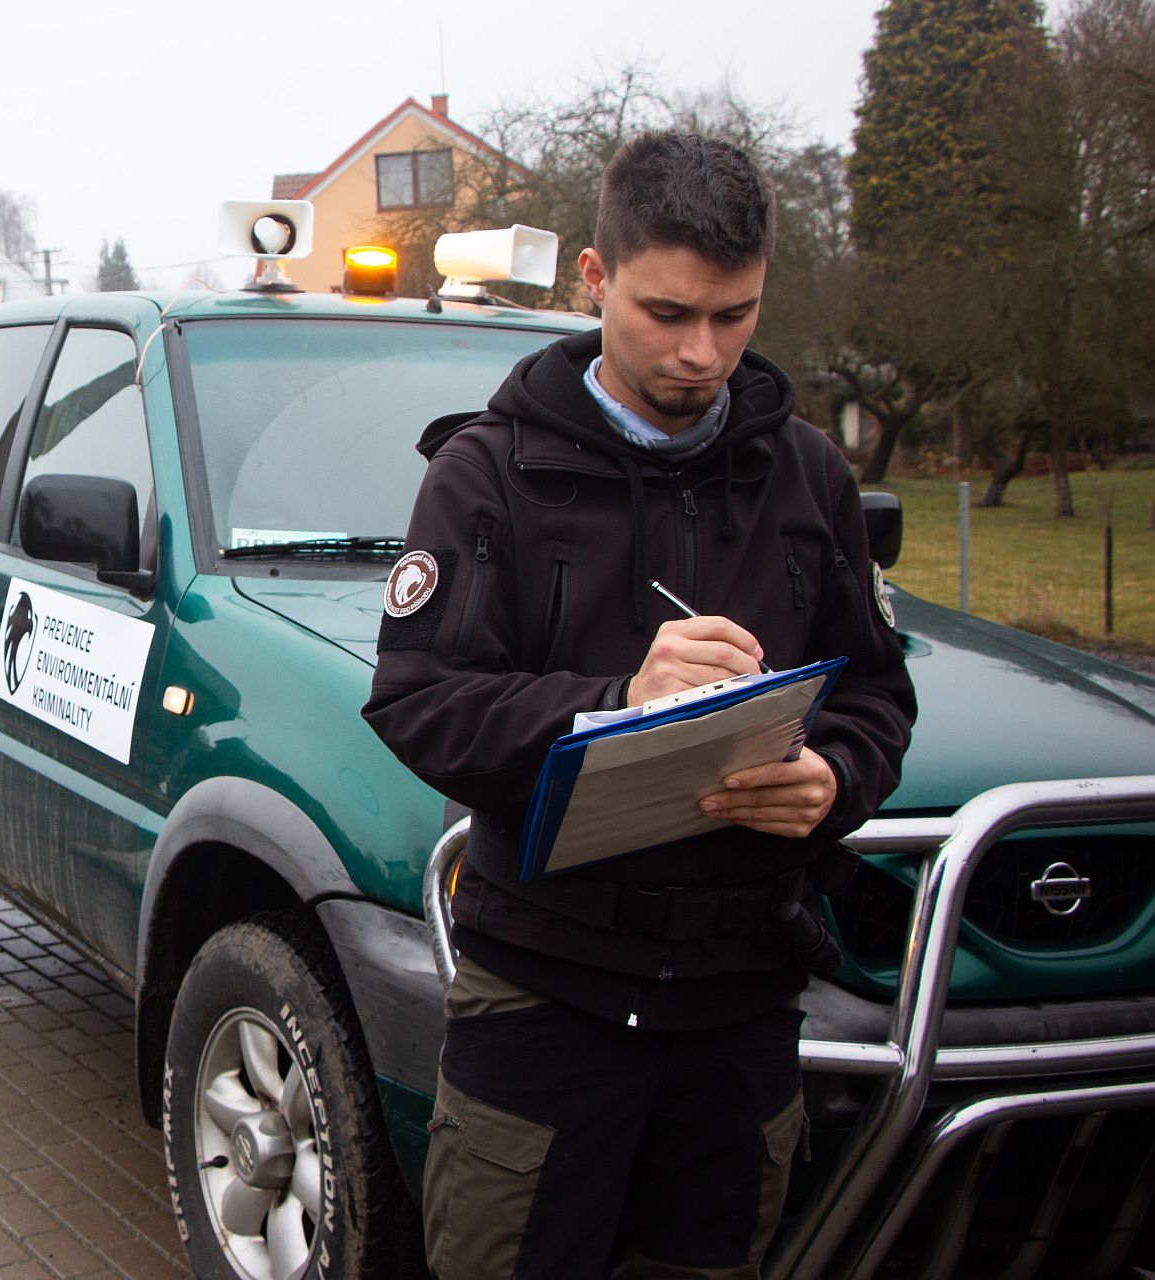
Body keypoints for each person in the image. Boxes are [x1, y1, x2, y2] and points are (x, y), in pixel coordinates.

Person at [363, 132, 917, 1279]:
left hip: (741, 1002)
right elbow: (420, 701)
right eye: (668, 313)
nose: (702, 352)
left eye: (734, 315)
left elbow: (875, 689)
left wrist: (835, 779)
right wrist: (618, 702)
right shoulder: (488, 471)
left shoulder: (809, 474)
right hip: (545, 998)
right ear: (595, 277)